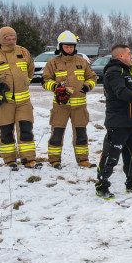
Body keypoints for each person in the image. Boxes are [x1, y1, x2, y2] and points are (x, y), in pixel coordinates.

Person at [0, 25, 39, 169]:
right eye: (7, 38)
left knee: (26, 130)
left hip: (23, 101)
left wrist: (25, 83)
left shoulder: (23, 52)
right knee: (6, 131)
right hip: (4, 102)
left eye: (13, 37)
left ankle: (28, 159)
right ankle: (9, 160)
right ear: (1, 39)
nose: (11, 40)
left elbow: (30, 70)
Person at [97, 44, 132, 199]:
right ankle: (102, 185)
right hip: (118, 122)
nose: (131, 56)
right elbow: (121, 93)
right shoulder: (114, 72)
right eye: (129, 54)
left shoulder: (127, 71)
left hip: (130, 121)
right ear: (120, 56)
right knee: (112, 155)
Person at [41, 30, 98, 168]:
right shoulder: (53, 63)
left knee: (81, 133)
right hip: (61, 106)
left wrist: (87, 86)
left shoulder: (82, 62)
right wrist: (55, 87)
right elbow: (44, 80)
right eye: (67, 47)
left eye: (72, 46)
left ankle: (83, 159)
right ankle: (54, 160)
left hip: (79, 107)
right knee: (57, 133)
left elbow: (93, 77)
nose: (69, 49)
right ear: (60, 47)